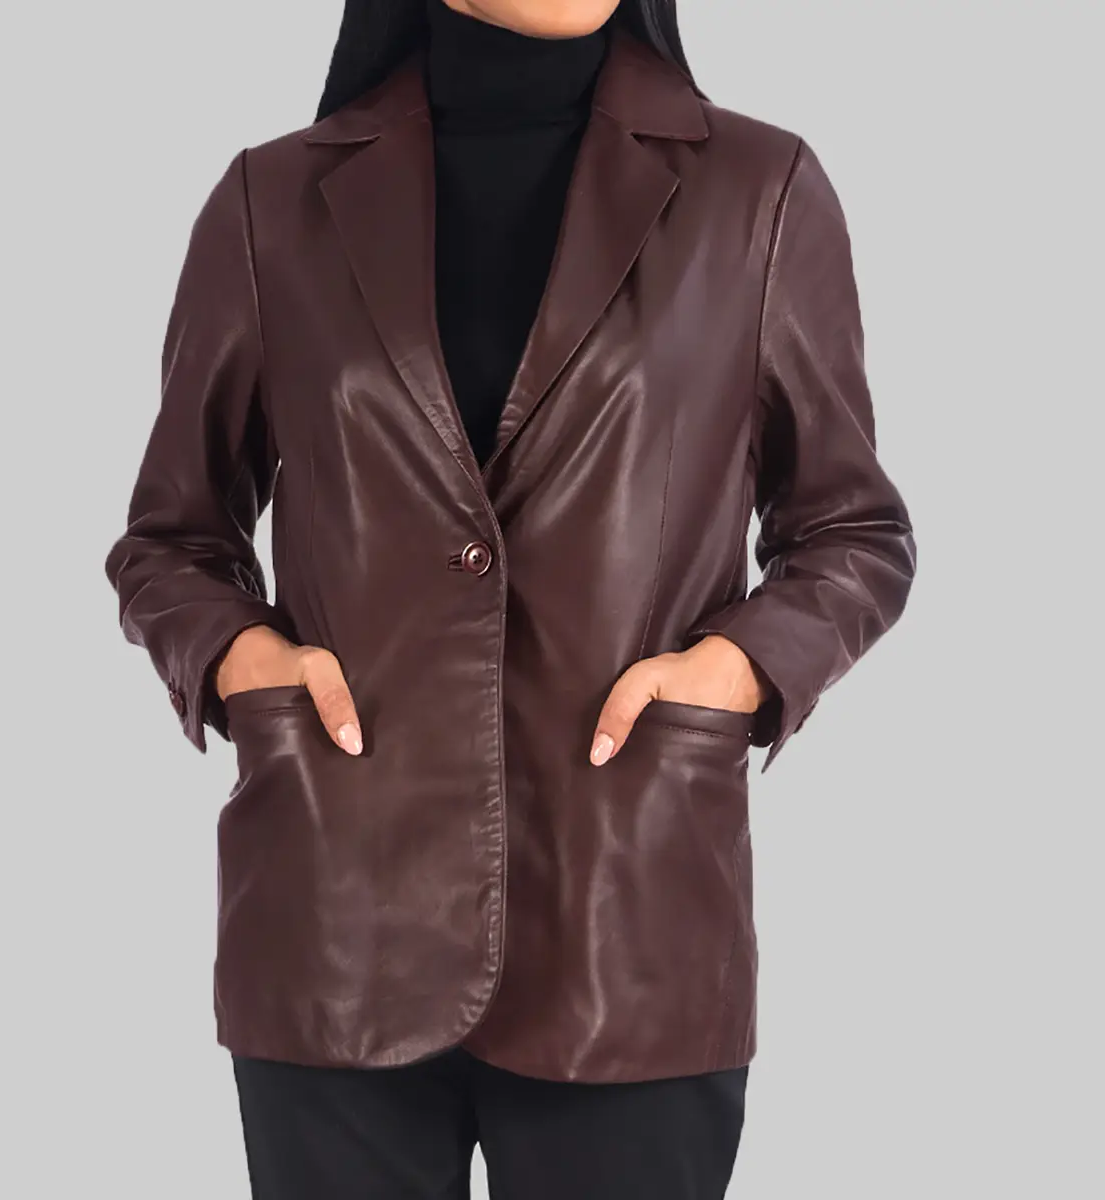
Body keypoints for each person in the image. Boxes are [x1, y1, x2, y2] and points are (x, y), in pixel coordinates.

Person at [104, 0, 917, 1195]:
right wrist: (240, 658)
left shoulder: (759, 192)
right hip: (334, 912)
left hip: (629, 913)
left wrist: (739, 669)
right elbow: (170, 539)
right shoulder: (272, 203)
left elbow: (853, 530)